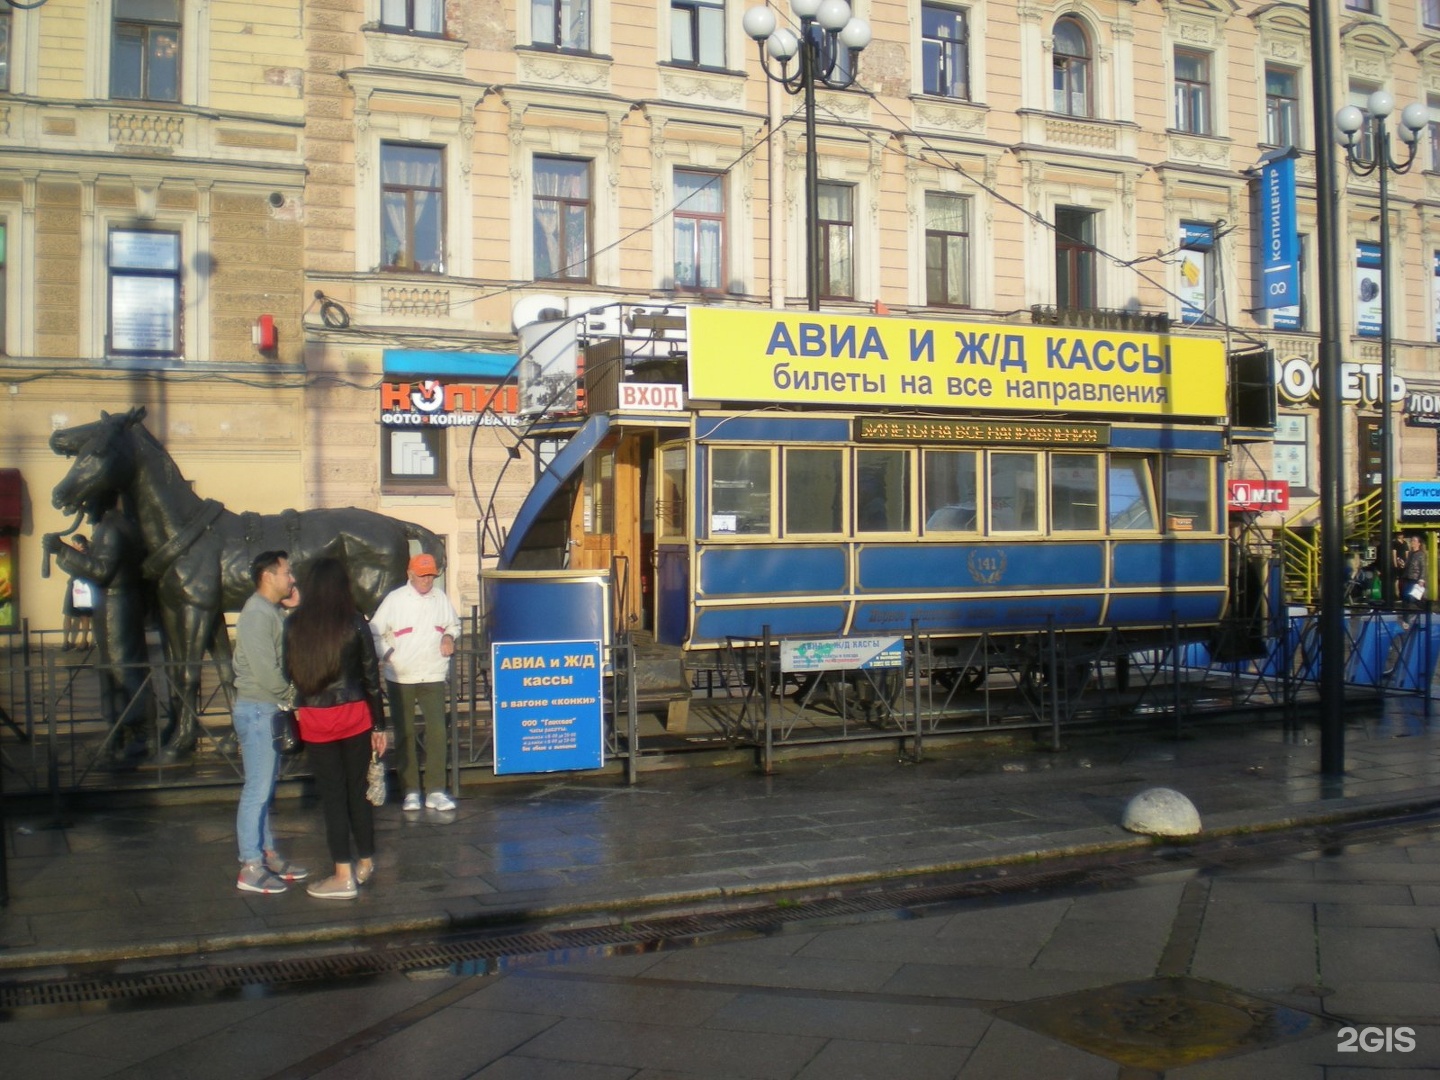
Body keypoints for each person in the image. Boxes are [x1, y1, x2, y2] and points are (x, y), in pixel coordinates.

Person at [284, 558, 388, 900]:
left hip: (315, 716)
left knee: (332, 796)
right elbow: (371, 676)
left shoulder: (295, 624)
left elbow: (290, 673)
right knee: (358, 790)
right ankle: (366, 860)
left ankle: (342, 873)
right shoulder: (355, 622)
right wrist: (379, 725)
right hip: (355, 712)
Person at [231, 550, 309, 894]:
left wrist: (290, 608)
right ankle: (250, 864)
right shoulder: (256, 615)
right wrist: (293, 698)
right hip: (259, 708)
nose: (291, 579)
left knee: (264, 789)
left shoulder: (269, 611)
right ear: (268, 576)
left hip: (266, 708)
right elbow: (265, 670)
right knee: (257, 790)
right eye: (287, 573)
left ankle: (266, 854)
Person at [369, 552, 460, 813]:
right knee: (405, 732)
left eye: (430, 574)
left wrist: (449, 637)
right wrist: (387, 653)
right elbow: (374, 631)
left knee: (437, 732)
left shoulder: (440, 599)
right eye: (422, 575)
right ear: (410, 574)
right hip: (401, 676)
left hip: (432, 673)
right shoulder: (395, 599)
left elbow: (453, 624)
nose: (427, 580)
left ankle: (435, 790)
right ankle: (410, 790)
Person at [62, 535, 95, 651]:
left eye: (75, 543)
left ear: (81, 544)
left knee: (83, 614)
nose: (73, 545)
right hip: (76, 584)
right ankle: (66, 641)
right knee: (68, 614)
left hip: (83, 586)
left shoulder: (87, 555)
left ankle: (83, 641)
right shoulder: (83, 555)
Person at [1400, 533, 1427, 611]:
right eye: (1412, 541)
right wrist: (1403, 565)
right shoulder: (1410, 553)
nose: (1412, 542)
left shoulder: (1421, 554)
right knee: (1405, 597)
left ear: (1419, 543)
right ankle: (1405, 614)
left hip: (1415, 579)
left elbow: (1423, 567)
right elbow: (1408, 565)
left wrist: (1421, 580)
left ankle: (1424, 611)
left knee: (1415, 598)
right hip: (1408, 577)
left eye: (1414, 541)